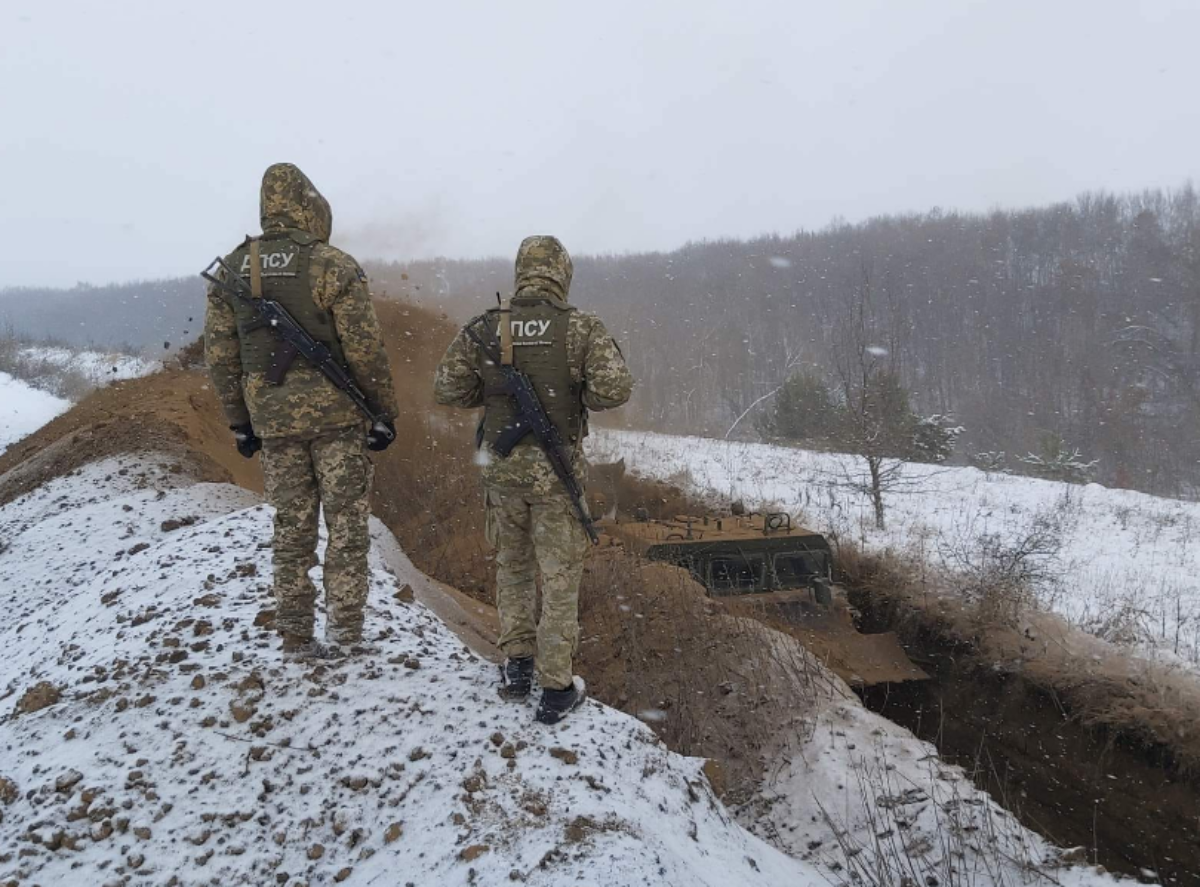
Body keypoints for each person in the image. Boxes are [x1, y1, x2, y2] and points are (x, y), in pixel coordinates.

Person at [434, 235, 633, 723]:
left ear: (521, 271)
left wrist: (493, 383)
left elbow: (447, 388)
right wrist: (575, 383)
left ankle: (518, 665)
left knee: (514, 568)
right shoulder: (580, 328)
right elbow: (614, 390)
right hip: (555, 478)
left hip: (501, 476)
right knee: (560, 579)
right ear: (561, 274)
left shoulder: (488, 328)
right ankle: (555, 687)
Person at [205, 163, 399, 662]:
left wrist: (240, 423)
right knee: (347, 531)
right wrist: (383, 412)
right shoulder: (332, 264)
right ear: (309, 205)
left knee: (291, 532)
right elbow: (366, 350)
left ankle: (295, 635)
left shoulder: (233, 271)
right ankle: (347, 634)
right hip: (338, 424)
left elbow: (222, 357)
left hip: (273, 426)